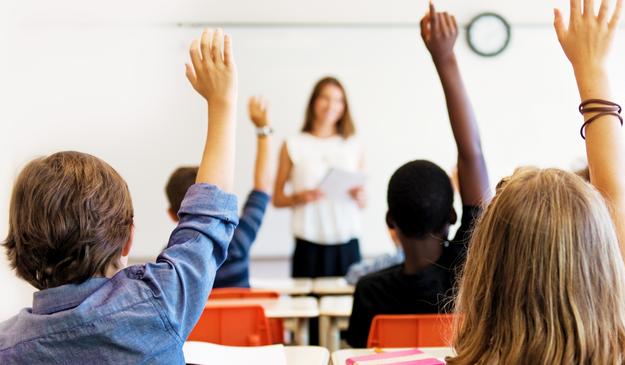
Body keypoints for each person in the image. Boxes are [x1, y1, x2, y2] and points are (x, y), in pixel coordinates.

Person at [0, 29, 240, 364]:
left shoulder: (7, 347)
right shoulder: (156, 304)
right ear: (128, 240)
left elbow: (207, 221)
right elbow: (207, 222)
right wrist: (223, 103)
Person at [448, 1, 625, 363]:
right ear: (599, 253)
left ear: (488, 267)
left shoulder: (484, 351)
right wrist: (593, 70)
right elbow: (615, 193)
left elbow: (614, 194)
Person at [345, 2, 490, 348]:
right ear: (453, 216)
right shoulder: (467, 279)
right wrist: (445, 59)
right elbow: (472, 154)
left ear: (390, 221)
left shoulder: (370, 292)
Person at [165, 96, 273, 288]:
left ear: (173, 214)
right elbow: (263, 188)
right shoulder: (237, 242)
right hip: (241, 320)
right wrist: (263, 130)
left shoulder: (170, 260)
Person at [273, 76, 365, 278]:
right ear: (314, 101)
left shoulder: (352, 145)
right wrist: (300, 197)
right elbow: (277, 198)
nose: (331, 105)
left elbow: (362, 200)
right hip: (309, 243)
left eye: (338, 100)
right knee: (306, 307)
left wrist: (360, 197)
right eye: (325, 98)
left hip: (347, 242)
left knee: (348, 307)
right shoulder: (293, 144)